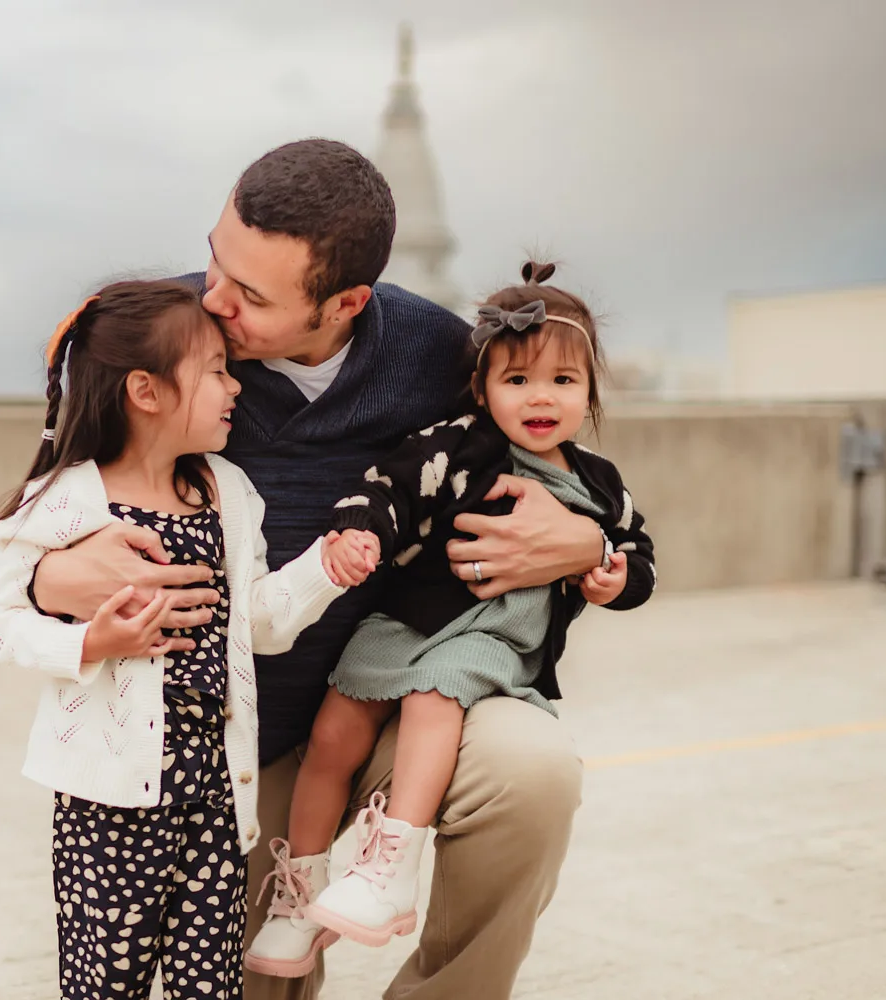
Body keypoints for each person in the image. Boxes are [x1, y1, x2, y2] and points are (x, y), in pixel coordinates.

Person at [30, 139, 609, 1000]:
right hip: (221, 748)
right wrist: (56, 582)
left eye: (252, 296)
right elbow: (37, 536)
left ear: (345, 302)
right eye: (217, 261)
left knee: (534, 775)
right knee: (259, 982)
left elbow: (540, 468)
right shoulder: (153, 344)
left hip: (391, 704)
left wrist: (589, 545)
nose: (214, 301)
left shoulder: (437, 357)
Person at [0, 279, 380, 1000]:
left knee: (211, 984)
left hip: (217, 797)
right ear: (145, 391)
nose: (235, 388)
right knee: (108, 984)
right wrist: (87, 644)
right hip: (109, 807)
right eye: (217, 370)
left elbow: (259, 622)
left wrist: (325, 566)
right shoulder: (65, 499)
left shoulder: (226, 491)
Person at [244, 262, 656, 975]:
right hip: (408, 622)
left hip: (493, 638)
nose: (540, 398)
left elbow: (635, 548)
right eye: (517, 379)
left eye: (563, 382)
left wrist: (612, 574)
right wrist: (359, 533)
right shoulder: (455, 447)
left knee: (437, 697)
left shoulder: (596, 481)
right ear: (482, 387)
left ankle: (390, 866)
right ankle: (299, 890)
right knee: (334, 731)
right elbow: (387, 491)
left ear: (589, 393)